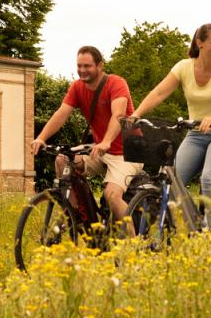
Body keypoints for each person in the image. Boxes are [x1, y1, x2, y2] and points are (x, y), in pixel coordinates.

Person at [131, 23, 211, 228]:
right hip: (197, 134)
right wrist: (137, 113)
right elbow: (159, 93)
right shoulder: (183, 67)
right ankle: (189, 225)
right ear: (200, 43)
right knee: (172, 182)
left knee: (209, 179)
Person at [31, 46, 142, 222]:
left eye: (87, 66)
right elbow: (61, 114)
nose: (82, 70)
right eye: (79, 66)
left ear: (100, 66)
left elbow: (118, 115)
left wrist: (106, 141)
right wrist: (41, 137)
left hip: (127, 153)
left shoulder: (116, 83)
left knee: (112, 196)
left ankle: (134, 244)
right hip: (99, 151)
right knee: (62, 160)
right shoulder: (77, 88)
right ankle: (79, 218)